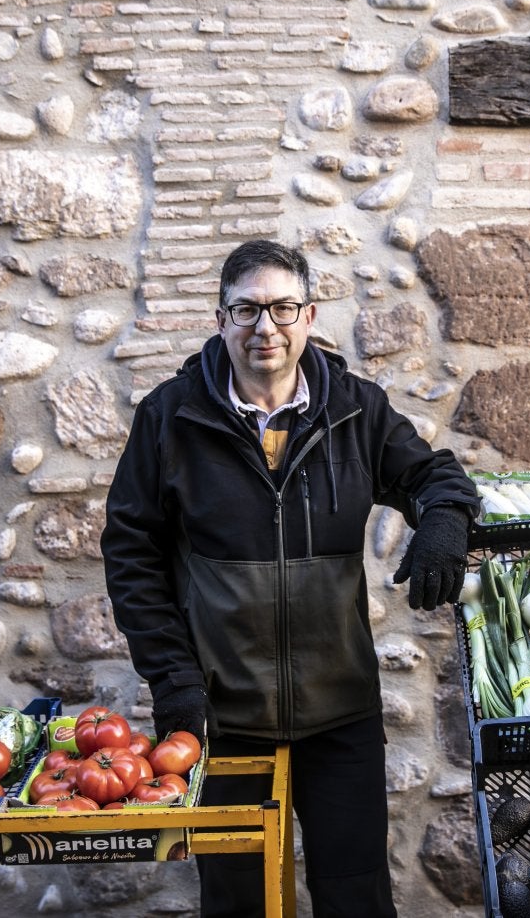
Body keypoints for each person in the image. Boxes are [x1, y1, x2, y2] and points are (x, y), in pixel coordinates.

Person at [100, 239, 479, 916]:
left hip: (340, 709)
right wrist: (175, 680)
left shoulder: (355, 409)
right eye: (246, 310)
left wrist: (444, 521)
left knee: (356, 896)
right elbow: (132, 555)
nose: (264, 328)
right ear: (220, 319)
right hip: (225, 713)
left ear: (308, 316)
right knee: (238, 900)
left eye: (281, 308)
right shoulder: (170, 418)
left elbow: (433, 475)